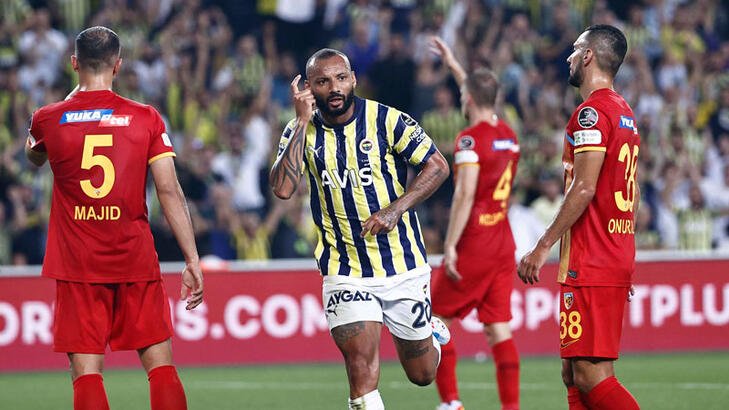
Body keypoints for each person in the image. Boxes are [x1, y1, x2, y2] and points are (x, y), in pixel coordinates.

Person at [25, 26, 203, 410]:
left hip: (78, 265)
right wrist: (192, 259)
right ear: (118, 65)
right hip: (134, 259)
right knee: (160, 366)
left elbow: (33, 155)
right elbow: (169, 191)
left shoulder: (48, 118)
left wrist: (70, 102)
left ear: (74, 63)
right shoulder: (146, 118)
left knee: (86, 372)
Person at [269, 48, 451, 410]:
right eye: (323, 81)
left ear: (353, 79)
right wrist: (301, 123)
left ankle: (429, 330)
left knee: (422, 374)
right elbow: (283, 189)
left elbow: (437, 165)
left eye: (341, 78)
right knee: (360, 368)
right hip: (344, 269)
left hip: (402, 264)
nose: (334, 87)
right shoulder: (299, 130)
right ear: (309, 88)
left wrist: (396, 209)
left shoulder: (387, 120)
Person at [517, 25, 640, 410]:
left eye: (575, 49)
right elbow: (632, 192)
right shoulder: (624, 112)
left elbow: (584, 187)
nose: (569, 57)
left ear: (588, 56)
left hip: (593, 258)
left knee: (589, 374)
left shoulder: (592, 113)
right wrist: (623, 252)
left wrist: (542, 245)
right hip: (607, 252)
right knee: (572, 372)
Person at [429, 37, 521, 410]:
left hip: (475, 242)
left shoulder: (469, 141)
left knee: (434, 319)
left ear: (467, 99)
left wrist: (450, 244)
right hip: (503, 242)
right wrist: (454, 64)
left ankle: (451, 402)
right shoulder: (508, 136)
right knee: (498, 328)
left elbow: (465, 194)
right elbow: (477, 92)